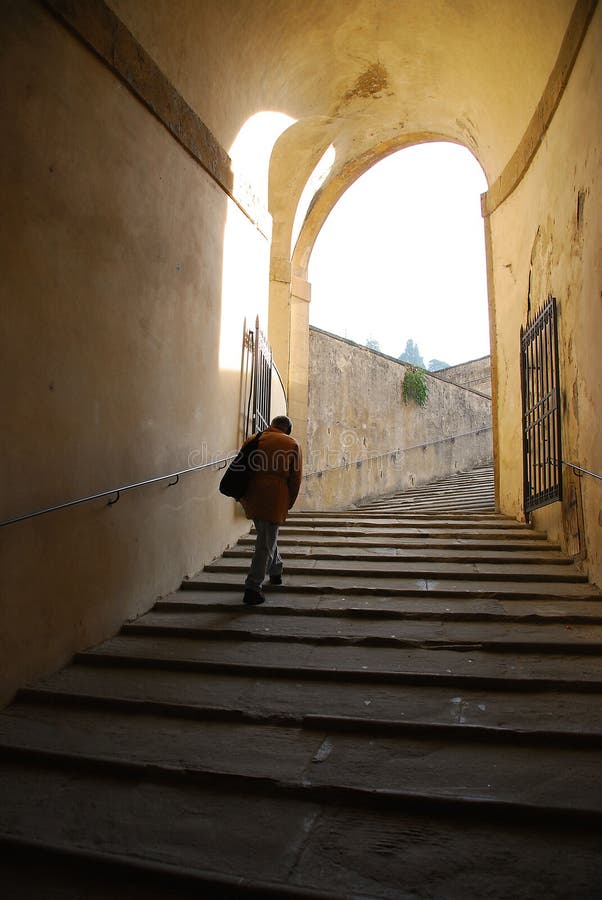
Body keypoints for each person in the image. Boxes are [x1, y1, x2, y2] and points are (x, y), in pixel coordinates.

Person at [239, 415, 302, 605]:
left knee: (266, 536)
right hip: (275, 495)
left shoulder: (253, 439)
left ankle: (276, 571)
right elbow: (295, 478)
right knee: (265, 542)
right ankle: (252, 587)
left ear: (272, 425)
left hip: (251, 494)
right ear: (287, 429)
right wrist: (289, 501)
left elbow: (241, 466)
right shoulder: (291, 444)